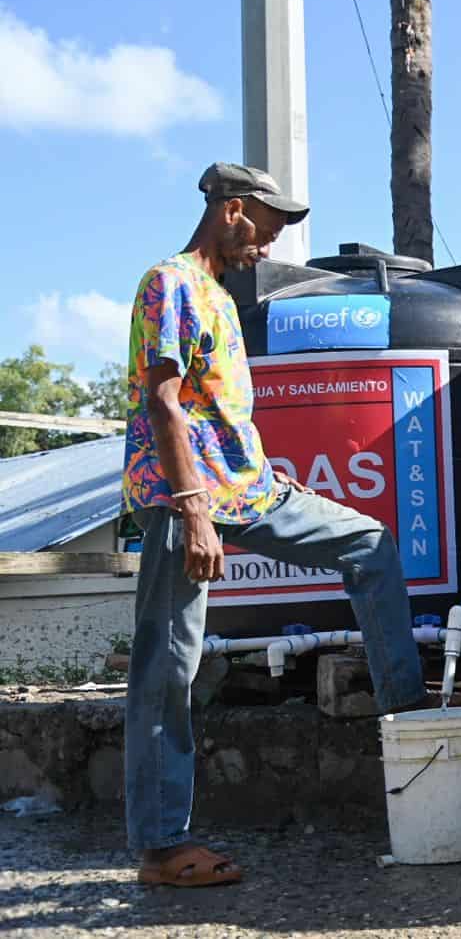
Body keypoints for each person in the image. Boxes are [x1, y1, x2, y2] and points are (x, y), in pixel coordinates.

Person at [122, 163, 427, 888]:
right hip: (181, 496)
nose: (272, 242)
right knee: (168, 667)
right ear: (232, 211)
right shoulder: (170, 283)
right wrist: (193, 511)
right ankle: (162, 848)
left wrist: (258, 474)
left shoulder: (221, 297)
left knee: (369, 545)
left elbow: (217, 410)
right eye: (269, 226)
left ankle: (411, 729)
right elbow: (165, 404)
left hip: (247, 488)